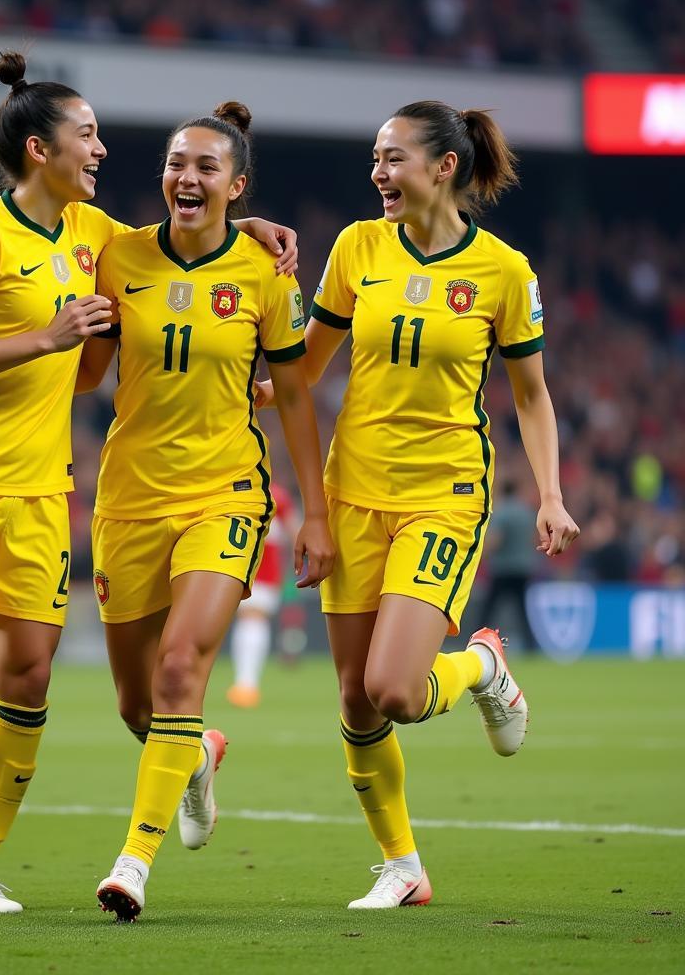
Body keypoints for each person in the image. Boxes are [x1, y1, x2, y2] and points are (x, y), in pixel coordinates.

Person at [0, 53, 299, 914]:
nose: (103, 150)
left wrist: (255, 225)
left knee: (28, 684)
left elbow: (186, 245)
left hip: (44, 493)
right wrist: (44, 338)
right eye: (89, 136)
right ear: (41, 149)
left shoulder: (97, 236)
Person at [259, 100, 579, 909]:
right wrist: (243, 384)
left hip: (443, 494)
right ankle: (402, 864)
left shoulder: (504, 271)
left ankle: (483, 666)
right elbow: (310, 364)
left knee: (395, 691)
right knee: (355, 701)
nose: (377, 173)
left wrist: (550, 494)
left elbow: (532, 397)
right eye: (374, 157)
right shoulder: (356, 247)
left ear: (444, 167)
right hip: (353, 489)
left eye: (392, 158)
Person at [76, 101, 335, 922]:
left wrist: (317, 516)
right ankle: (195, 754)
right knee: (137, 705)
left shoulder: (266, 273)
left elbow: (293, 395)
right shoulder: (116, 257)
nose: (186, 178)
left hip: (225, 490)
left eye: (206, 167)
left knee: (183, 666)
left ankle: (133, 864)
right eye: (176, 164)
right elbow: (87, 378)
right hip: (127, 499)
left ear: (236, 185)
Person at [226, 480, 297, 707]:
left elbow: (294, 532)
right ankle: (245, 684)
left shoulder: (274, 495)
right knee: (250, 619)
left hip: (254, 566)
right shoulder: (278, 495)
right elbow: (295, 532)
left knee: (252, 618)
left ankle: (246, 685)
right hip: (245, 565)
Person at [479, 479, 540, 649]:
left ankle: (479, 640)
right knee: (523, 612)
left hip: (503, 568)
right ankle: (531, 646)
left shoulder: (502, 511)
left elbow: (496, 540)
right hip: (523, 567)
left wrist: (481, 556)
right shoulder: (526, 512)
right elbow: (533, 538)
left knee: (489, 609)